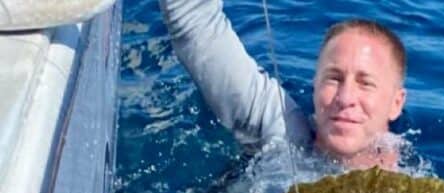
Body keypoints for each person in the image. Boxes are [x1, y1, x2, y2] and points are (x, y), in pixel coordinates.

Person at [159, 1, 407, 169]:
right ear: (315, 85)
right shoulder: (281, 129)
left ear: (396, 103)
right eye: (334, 78)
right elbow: (194, 24)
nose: (345, 97)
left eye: (365, 83)